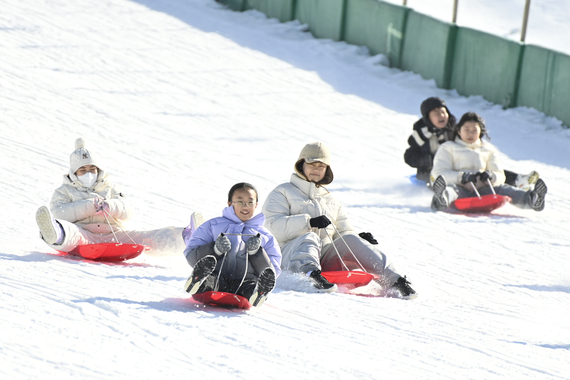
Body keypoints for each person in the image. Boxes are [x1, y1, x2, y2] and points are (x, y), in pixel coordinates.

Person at [262, 142, 415, 298]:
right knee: (310, 236)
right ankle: (309, 276)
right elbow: (272, 227)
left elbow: (343, 231)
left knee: (350, 239)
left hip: (322, 258)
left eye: (321, 166)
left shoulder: (330, 199)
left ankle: (395, 281)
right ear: (301, 165)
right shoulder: (282, 192)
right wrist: (308, 223)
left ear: (327, 169)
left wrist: (359, 239)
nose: (316, 169)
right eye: (312, 164)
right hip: (290, 256)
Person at [35, 137, 190, 255]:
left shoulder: (110, 187)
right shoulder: (64, 191)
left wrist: (111, 206)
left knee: (145, 237)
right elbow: (59, 212)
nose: (88, 173)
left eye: (92, 169)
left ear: (98, 170)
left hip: (114, 234)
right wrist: (88, 206)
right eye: (83, 170)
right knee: (71, 233)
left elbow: (128, 211)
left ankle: (186, 236)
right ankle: (55, 233)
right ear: (74, 173)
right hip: (84, 234)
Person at [404, 97, 538, 188]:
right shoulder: (421, 135)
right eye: (436, 113)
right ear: (427, 117)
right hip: (432, 171)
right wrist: (425, 160)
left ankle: (518, 181)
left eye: (443, 112)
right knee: (441, 177)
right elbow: (409, 156)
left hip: (460, 166)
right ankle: (442, 194)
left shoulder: (457, 130)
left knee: (487, 171)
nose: (441, 116)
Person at [183, 183, 281, 307]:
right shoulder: (212, 226)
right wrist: (215, 249)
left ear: (256, 205)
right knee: (210, 281)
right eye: (240, 202)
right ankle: (197, 282)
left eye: (250, 202)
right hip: (217, 277)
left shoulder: (264, 235)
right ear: (230, 203)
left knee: (250, 287)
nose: (246, 206)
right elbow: (190, 254)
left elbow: (273, 271)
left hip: (246, 281)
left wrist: (256, 253)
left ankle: (258, 293)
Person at [430, 112, 548, 212]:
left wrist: (491, 176)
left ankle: (532, 199)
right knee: (451, 189)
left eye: (474, 130)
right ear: (459, 131)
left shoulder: (488, 149)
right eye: (466, 130)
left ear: (480, 132)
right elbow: (438, 173)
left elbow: (500, 175)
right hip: (460, 189)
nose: (470, 133)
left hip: (483, 191)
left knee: (504, 189)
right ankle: (441, 199)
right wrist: (461, 177)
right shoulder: (448, 147)